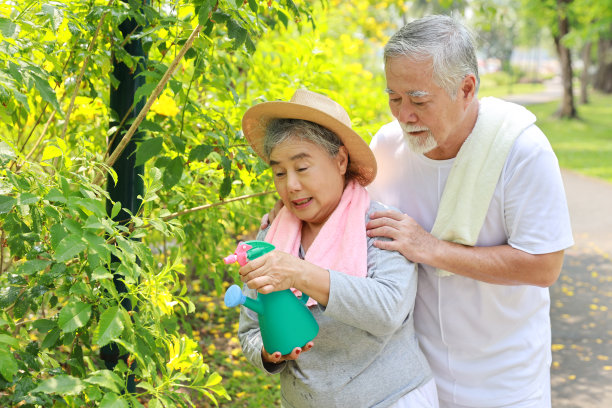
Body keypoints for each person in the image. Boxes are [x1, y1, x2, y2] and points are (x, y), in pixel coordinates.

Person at [364, 15, 574, 408]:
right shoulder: (387, 145)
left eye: (419, 100)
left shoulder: (522, 151)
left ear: (466, 88)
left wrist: (429, 248)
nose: (404, 115)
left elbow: (544, 266)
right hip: (412, 380)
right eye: (394, 98)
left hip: (507, 383)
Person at [236, 89, 438, 407]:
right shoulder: (272, 236)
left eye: (302, 168)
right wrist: (269, 351)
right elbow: (249, 328)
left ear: (340, 160)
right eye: (279, 172)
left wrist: (300, 273)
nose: (290, 185)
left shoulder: (379, 224)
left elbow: (388, 310)